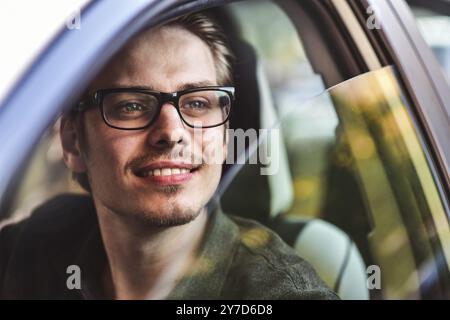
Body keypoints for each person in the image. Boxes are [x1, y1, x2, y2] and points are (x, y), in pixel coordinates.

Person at [0, 12, 338, 300]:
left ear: (223, 139)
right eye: (131, 105)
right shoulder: (37, 243)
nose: (172, 132)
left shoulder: (280, 294)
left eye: (197, 103)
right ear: (73, 144)